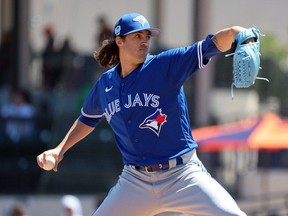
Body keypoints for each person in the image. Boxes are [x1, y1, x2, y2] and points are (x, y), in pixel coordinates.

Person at [37, 13, 249, 216]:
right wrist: (59, 149)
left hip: (182, 175)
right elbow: (87, 119)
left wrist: (238, 33)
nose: (145, 41)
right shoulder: (105, 84)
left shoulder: (164, 65)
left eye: (147, 36)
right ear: (119, 41)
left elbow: (211, 45)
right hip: (135, 181)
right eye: (137, 36)